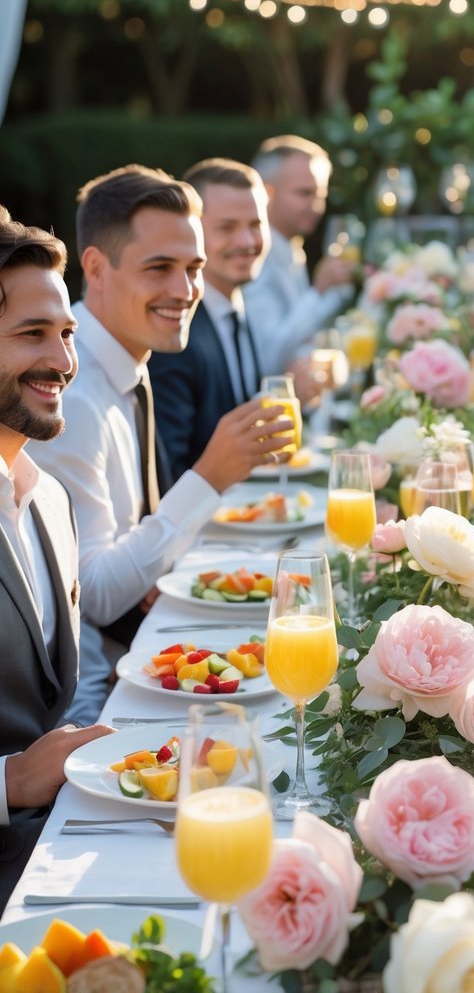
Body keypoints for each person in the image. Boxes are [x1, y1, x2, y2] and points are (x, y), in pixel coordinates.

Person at [32, 166, 292, 706]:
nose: (186, 290)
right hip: (97, 691)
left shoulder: (128, 355)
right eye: (160, 268)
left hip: (142, 650)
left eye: (194, 268)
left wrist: (153, 563)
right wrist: (210, 475)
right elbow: (100, 597)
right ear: (96, 268)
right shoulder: (72, 392)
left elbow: (119, 562)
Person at [0, 207, 110, 908]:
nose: (64, 362)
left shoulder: (51, 500)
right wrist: (9, 782)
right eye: (32, 335)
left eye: (67, 333)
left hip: (65, 853)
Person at [149, 157, 272, 481]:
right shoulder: (173, 332)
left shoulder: (239, 308)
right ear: (193, 232)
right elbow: (168, 473)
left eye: (256, 225)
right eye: (227, 228)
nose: (247, 242)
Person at [243, 135, 356, 372]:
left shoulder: (291, 247)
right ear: (267, 193)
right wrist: (318, 291)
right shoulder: (251, 256)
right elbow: (268, 356)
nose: (316, 207)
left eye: (321, 195)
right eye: (305, 193)